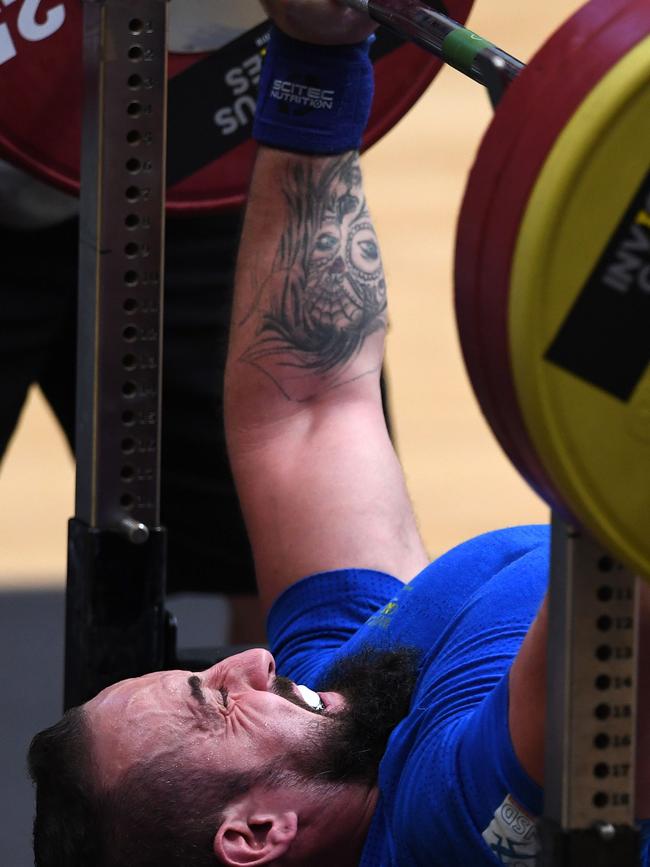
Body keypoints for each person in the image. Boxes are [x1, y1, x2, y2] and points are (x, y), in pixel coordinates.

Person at [27, 2, 650, 865]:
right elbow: (622, 595)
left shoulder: (344, 692)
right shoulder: (440, 828)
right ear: (253, 831)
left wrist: (315, 60)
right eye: (216, 702)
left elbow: (307, 405)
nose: (247, 658)